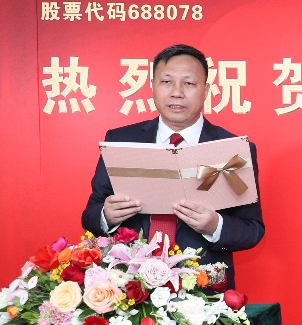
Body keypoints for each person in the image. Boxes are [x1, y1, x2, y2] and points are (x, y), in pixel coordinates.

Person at [82, 43, 264, 289]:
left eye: (188, 83)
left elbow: (252, 230)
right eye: (167, 82)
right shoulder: (121, 141)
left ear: (206, 90)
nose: (177, 92)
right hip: (131, 288)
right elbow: (90, 215)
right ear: (153, 86)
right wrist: (106, 216)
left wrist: (215, 226)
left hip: (203, 291)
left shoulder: (232, 150)